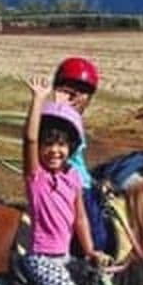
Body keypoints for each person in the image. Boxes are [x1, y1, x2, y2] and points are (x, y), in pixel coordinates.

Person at [22, 74, 110, 285]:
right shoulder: (36, 178)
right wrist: (39, 100)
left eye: (61, 144)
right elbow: (29, 140)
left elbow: (80, 218)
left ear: (71, 148)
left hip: (65, 257)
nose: (54, 150)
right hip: (41, 258)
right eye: (49, 144)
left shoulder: (72, 177)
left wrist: (90, 251)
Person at [51, 57, 109, 252]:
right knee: (98, 239)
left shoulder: (74, 117)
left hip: (83, 183)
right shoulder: (58, 118)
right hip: (76, 188)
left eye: (83, 91)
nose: (76, 96)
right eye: (68, 90)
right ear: (57, 89)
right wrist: (59, 106)